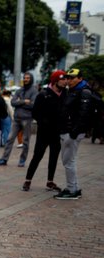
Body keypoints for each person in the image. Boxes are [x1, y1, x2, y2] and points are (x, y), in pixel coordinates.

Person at [22, 70, 67, 192]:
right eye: (62, 79)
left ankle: (50, 181)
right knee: (37, 156)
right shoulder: (43, 94)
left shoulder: (65, 94)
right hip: (44, 132)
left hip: (58, 132)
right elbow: (35, 113)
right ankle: (28, 180)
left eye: (65, 79)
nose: (65, 81)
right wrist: (44, 122)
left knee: (54, 157)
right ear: (55, 81)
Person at [55, 68, 95, 200]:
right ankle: (74, 188)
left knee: (68, 162)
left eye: (72, 78)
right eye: (68, 77)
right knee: (69, 161)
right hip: (68, 130)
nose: (69, 80)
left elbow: (84, 115)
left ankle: (72, 190)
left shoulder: (84, 92)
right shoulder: (73, 91)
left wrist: (74, 132)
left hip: (71, 132)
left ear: (80, 78)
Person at [0, 71, 38, 167]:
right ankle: (4, 159)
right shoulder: (19, 90)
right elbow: (13, 102)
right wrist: (24, 101)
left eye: (27, 78)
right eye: (24, 78)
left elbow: (33, 104)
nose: (25, 79)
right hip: (16, 119)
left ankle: (22, 160)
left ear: (31, 79)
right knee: (9, 139)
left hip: (27, 119)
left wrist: (20, 102)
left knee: (25, 141)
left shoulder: (34, 91)